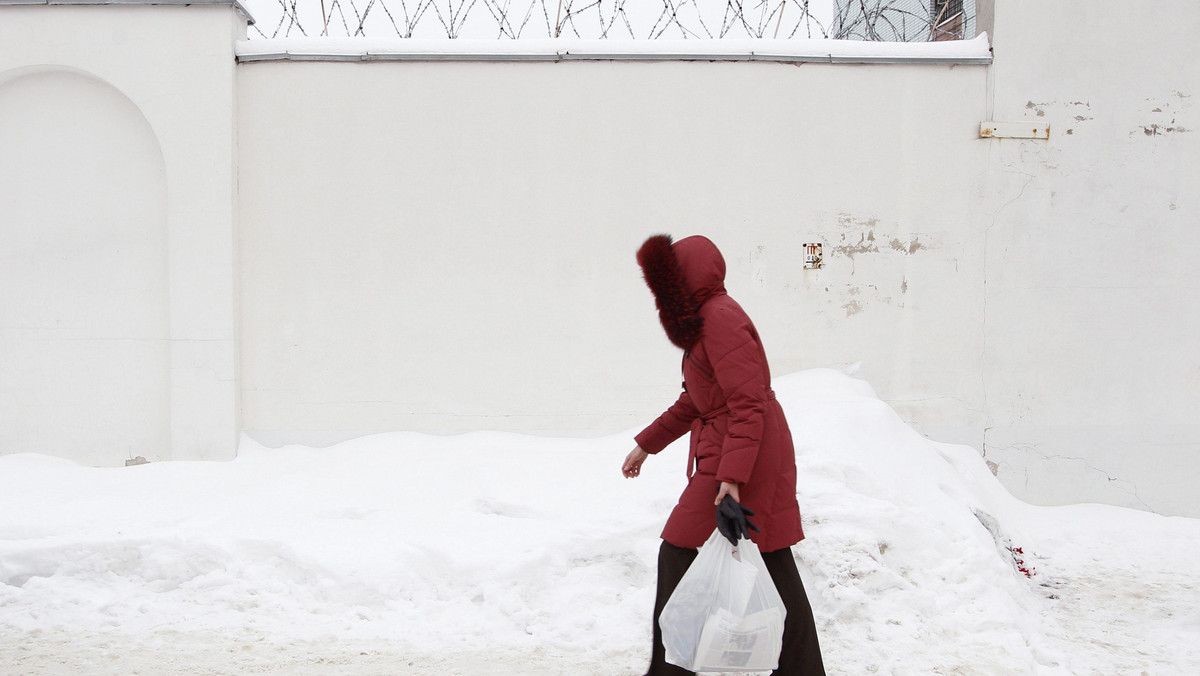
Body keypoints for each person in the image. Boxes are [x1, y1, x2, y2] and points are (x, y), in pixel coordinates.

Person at [622, 234, 826, 676]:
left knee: (681, 549)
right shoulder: (704, 323)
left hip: (746, 454)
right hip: (736, 448)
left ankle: (669, 670)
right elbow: (695, 402)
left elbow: (747, 403)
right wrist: (646, 444)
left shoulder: (720, 319)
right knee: (768, 558)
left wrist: (731, 478)